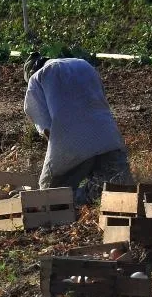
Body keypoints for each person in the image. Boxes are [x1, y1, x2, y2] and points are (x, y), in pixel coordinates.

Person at [23, 52, 134, 205]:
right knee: (119, 187)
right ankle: (95, 196)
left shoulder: (37, 78)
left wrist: (57, 155)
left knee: (48, 195)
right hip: (108, 138)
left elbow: (45, 126)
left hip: (72, 144)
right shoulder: (83, 64)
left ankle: (78, 201)